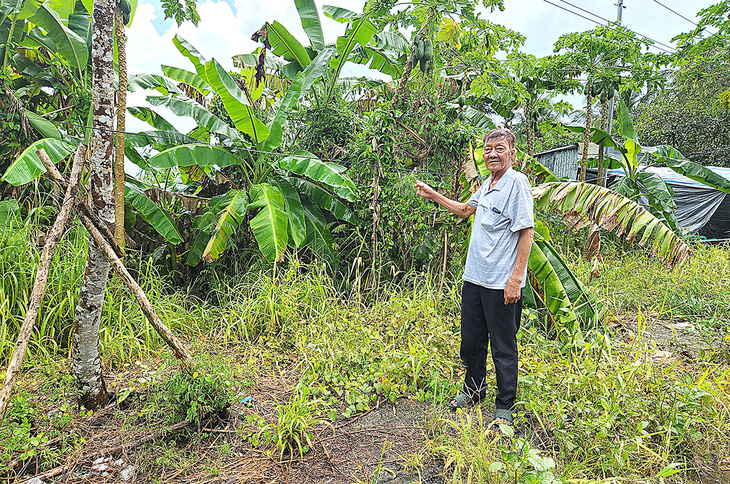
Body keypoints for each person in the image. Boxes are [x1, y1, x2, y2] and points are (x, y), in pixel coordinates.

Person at [414, 128, 534, 425]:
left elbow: (526, 233)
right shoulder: (487, 184)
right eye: (488, 148)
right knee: (472, 340)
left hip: (500, 283)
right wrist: (432, 194)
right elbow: (465, 210)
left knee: (503, 345)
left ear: (512, 153)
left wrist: (516, 279)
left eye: (499, 148)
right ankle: (474, 389)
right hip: (475, 279)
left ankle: (505, 403)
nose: (492, 153)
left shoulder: (517, 183)